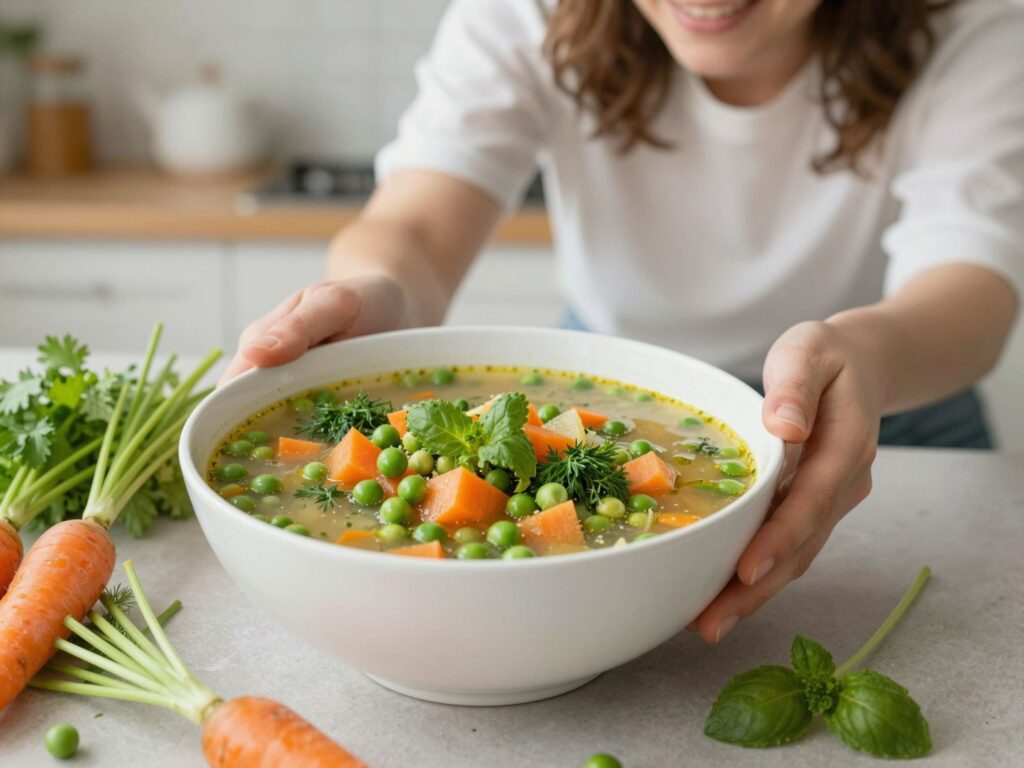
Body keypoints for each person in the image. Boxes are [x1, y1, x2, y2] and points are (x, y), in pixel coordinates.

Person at [221, 0, 1023, 643]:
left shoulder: (970, 26)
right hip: (604, 392)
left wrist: (865, 352)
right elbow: (418, 227)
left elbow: (972, 287)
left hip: (886, 403)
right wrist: (379, 293)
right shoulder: (530, 11)